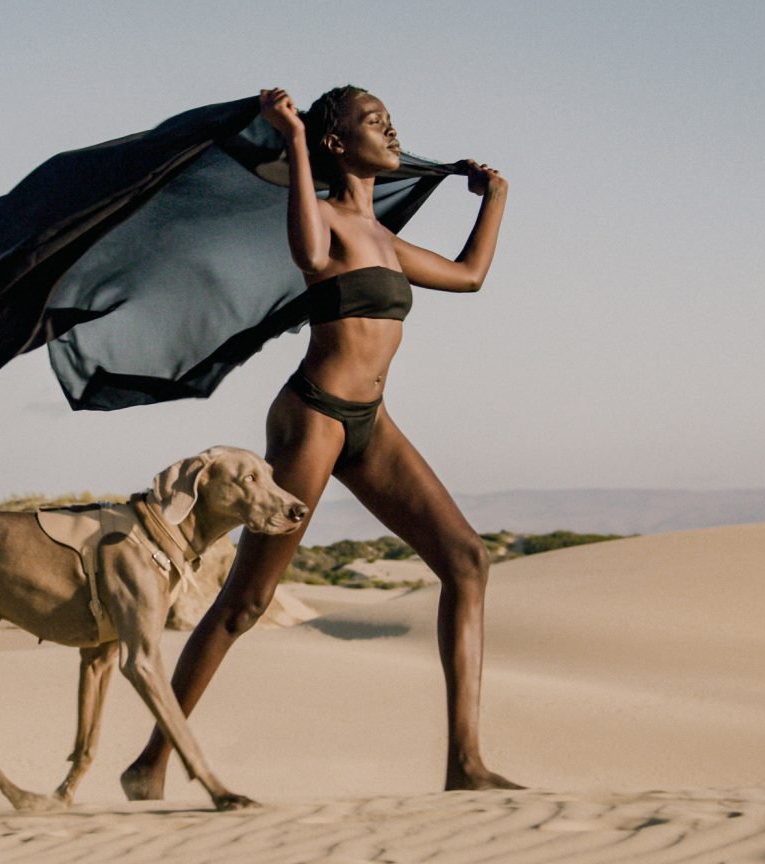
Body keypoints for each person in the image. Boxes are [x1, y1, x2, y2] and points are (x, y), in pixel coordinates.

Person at [120, 85, 522, 797]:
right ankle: (153, 759)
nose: (392, 129)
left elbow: (470, 276)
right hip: (314, 416)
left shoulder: (386, 241)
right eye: (374, 121)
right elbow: (307, 253)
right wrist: (296, 143)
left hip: (371, 422)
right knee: (246, 601)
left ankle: (465, 765)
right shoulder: (329, 220)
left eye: (392, 118)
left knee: (465, 560)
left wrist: (495, 197)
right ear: (338, 143)